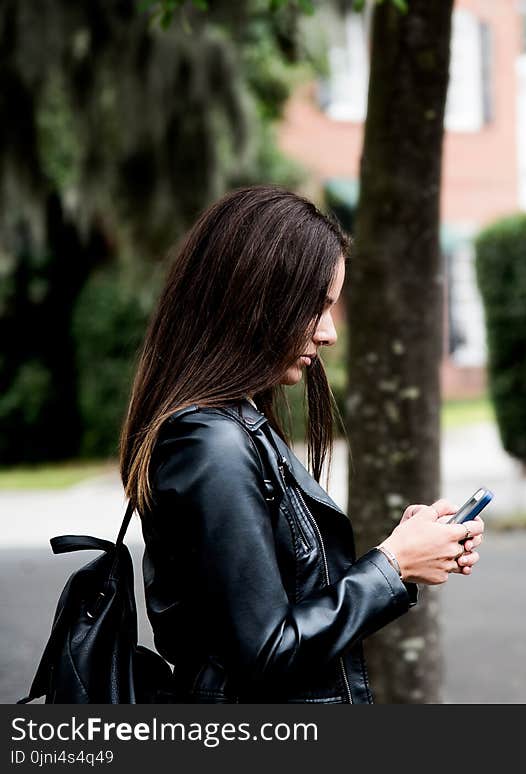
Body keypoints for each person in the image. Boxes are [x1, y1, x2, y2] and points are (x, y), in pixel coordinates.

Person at [119, 185, 484, 703]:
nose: (330, 332)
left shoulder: (231, 425)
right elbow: (267, 652)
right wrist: (392, 566)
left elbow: (286, 603)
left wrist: (406, 550)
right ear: (256, 298)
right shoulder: (210, 443)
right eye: (317, 306)